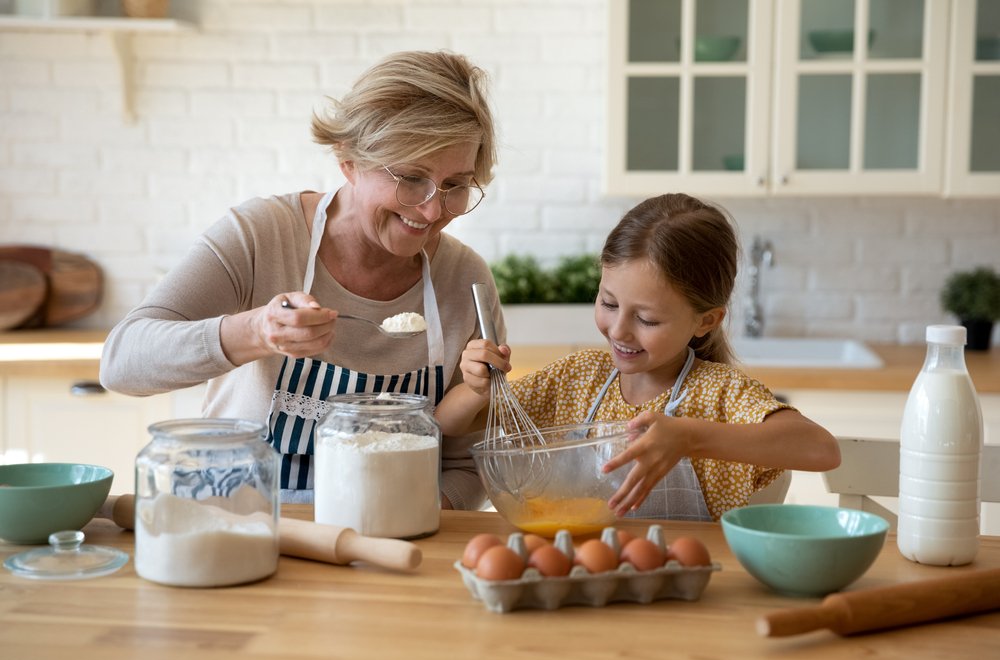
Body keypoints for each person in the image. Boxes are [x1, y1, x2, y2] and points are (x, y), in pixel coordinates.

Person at [100, 50, 505, 508]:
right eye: (411, 178)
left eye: (456, 185)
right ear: (348, 160)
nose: (432, 210)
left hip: (389, 551)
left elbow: (466, 465)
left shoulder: (465, 281)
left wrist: (406, 522)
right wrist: (255, 331)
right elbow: (122, 362)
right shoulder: (262, 235)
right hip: (237, 531)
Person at [435, 193, 841, 521]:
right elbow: (448, 423)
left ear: (705, 321)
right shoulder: (576, 378)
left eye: (646, 319)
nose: (619, 330)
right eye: (609, 303)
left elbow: (822, 449)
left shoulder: (718, 394)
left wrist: (688, 437)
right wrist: (476, 388)